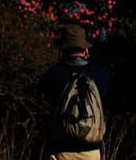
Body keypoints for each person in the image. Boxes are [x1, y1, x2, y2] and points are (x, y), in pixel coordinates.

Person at [38, 24, 112, 160]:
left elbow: (43, 103)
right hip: (92, 152)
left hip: (61, 152)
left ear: (63, 49)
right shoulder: (100, 74)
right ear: (85, 50)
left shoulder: (53, 74)